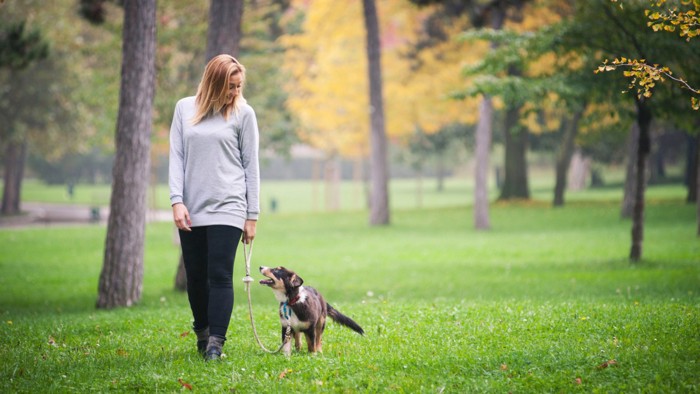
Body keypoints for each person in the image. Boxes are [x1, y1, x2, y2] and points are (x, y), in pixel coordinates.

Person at [168, 54, 260, 361]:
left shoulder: (243, 114)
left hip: (230, 205)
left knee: (220, 274)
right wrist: (176, 201)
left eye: (238, 86)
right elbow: (176, 158)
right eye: (230, 86)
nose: (235, 92)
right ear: (214, 82)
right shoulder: (184, 108)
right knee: (196, 275)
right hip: (192, 206)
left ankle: (215, 345)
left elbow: (251, 166)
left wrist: (252, 215)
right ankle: (203, 333)